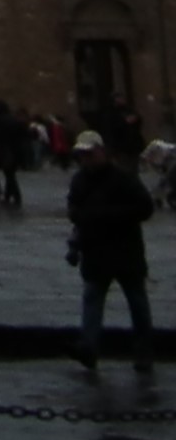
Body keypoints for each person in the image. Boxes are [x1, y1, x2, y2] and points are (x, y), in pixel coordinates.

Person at [67, 129, 155, 373]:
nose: (85, 159)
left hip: (126, 251)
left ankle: (143, 351)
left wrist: (106, 216)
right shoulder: (79, 180)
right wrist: (79, 223)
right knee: (92, 299)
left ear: (101, 152)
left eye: (89, 154)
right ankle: (89, 348)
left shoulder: (124, 178)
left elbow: (145, 208)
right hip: (95, 251)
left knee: (137, 303)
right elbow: (73, 208)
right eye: (81, 155)